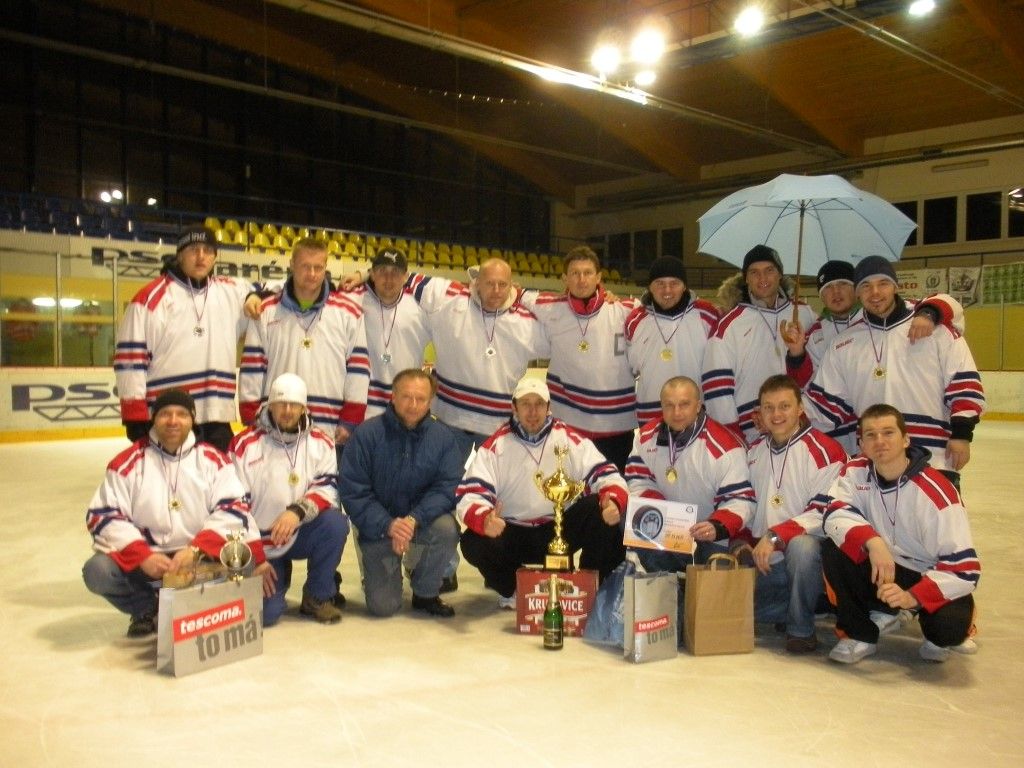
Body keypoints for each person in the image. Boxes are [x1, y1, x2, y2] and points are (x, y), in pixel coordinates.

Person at [82, 389, 267, 637]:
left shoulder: (213, 460)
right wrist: (142, 556)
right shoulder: (128, 463)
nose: (172, 421)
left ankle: (197, 609)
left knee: (243, 561)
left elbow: (233, 510)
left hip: (199, 557)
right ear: (153, 419)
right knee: (98, 571)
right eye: (165, 414)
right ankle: (148, 608)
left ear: (192, 420)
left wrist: (196, 549)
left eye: (181, 414)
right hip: (149, 562)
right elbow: (103, 515)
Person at [821, 404, 980, 664]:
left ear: (906, 439)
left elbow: (964, 569)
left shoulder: (937, 492)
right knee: (834, 548)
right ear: (861, 443)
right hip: (884, 565)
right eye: (870, 435)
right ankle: (860, 633)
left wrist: (913, 596)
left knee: (947, 631)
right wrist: (872, 542)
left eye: (888, 433)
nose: (879, 441)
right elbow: (834, 512)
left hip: (929, 574)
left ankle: (947, 619)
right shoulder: (855, 471)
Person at [805, 256, 984, 485]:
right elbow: (826, 406)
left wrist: (961, 435)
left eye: (883, 283)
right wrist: (783, 416)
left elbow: (963, 383)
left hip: (934, 458)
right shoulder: (844, 344)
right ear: (858, 294)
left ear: (896, 286)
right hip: (875, 463)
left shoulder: (935, 327)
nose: (875, 292)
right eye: (866, 287)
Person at [456, 375, 627, 607]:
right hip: (512, 532)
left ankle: (586, 586)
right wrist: (485, 519)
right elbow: (471, 493)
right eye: (526, 404)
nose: (533, 411)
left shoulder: (569, 439)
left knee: (600, 513)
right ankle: (514, 590)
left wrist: (613, 502)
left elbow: (606, 474)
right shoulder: (495, 446)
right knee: (472, 542)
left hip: (558, 530)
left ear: (549, 407)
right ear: (514, 407)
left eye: (539, 404)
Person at [114, 225, 260, 452]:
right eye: (193, 249)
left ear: (215, 256)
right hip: (172, 420)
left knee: (220, 486)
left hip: (216, 419)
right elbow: (130, 361)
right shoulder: (149, 299)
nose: (201, 256)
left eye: (207, 250)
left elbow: (281, 291)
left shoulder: (232, 292)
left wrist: (254, 295)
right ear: (180, 254)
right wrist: (134, 415)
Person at [339, 369, 462, 618]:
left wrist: (413, 519)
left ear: (430, 401)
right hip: (378, 527)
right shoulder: (367, 434)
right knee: (384, 607)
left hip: (420, 521)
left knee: (447, 529)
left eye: (421, 399)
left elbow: (447, 488)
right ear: (393, 396)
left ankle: (426, 592)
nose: (413, 405)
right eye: (406, 396)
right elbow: (354, 491)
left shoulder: (443, 438)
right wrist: (388, 524)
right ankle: (381, 572)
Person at [229, 373, 348, 625]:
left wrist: (296, 512)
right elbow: (233, 507)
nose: (287, 410)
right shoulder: (244, 445)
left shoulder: (320, 442)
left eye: (294, 404)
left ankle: (317, 595)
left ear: (304, 407)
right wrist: (256, 556)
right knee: (268, 615)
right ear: (269, 405)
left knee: (335, 524)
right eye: (281, 403)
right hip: (260, 542)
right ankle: (277, 571)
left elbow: (327, 487)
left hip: (300, 531)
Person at [406, 257, 550, 463]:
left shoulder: (529, 323)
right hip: (449, 421)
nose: (497, 290)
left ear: (512, 286)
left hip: (497, 426)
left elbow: (564, 320)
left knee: (494, 489)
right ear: (477, 282)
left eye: (503, 284)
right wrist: (363, 274)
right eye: (490, 283)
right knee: (443, 484)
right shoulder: (449, 298)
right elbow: (400, 275)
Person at [745, 375, 847, 653]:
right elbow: (747, 503)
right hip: (766, 561)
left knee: (802, 547)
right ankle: (792, 607)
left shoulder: (826, 450)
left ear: (800, 408)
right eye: (768, 407)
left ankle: (800, 628)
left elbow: (824, 513)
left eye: (784, 406)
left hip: (808, 559)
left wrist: (776, 536)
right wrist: (741, 543)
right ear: (760, 412)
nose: (776, 414)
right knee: (731, 608)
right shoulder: (753, 452)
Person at [239, 237, 369, 449]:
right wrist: (249, 418)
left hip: (330, 428)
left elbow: (358, 369)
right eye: (305, 266)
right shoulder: (265, 311)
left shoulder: (349, 312)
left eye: (318, 267)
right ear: (291, 265)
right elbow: (252, 370)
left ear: (326, 267)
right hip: (274, 428)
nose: (312, 274)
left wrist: (350, 421)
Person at [518, 245, 638, 471]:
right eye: (575, 273)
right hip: (568, 426)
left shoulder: (625, 310)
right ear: (564, 278)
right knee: (571, 497)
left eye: (588, 273)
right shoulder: (550, 307)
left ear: (599, 277)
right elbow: (509, 293)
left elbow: (663, 308)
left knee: (614, 495)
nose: (581, 279)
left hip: (616, 428)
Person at [625, 376, 755, 572]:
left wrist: (716, 525)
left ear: (698, 406)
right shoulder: (645, 437)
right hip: (669, 532)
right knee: (629, 518)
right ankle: (668, 588)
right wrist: (663, 513)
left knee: (712, 588)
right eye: (669, 405)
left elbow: (742, 500)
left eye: (684, 404)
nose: (676, 413)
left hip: (712, 539)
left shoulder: (725, 447)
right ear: (661, 406)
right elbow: (638, 481)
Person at [702, 244, 817, 445]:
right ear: (745, 278)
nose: (762, 279)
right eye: (754, 272)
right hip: (751, 436)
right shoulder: (729, 325)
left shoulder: (804, 315)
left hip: (800, 430)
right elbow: (717, 390)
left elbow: (816, 376)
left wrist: (797, 355)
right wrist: (733, 437)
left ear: (780, 274)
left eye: (769, 271)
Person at [624, 256, 720, 425]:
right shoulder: (635, 320)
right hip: (650, 418)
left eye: (674, 283)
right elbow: (632, 367)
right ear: (650, 287)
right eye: (660, 283)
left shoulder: (707, 315)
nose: (667, 290)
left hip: (696, 416)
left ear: (684, 286)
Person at [348, 248, 431, 418]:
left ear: (406, 276)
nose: (389, 278)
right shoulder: (353, 300)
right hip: (363, 408)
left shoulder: (421, 308)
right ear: (372, 274)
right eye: (382, 271)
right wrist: (360, 274)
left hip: (405, 409)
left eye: (395, 272)